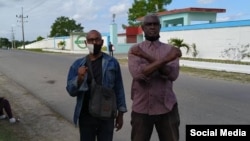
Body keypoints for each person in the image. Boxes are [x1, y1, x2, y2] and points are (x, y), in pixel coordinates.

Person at [128, 13, 182, 141]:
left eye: (155, 24)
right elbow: (138, 74)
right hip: (141, 108)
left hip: (167, 107)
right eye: (148, 24)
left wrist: (145, 57)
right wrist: (166, 60)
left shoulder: (169, 49)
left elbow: (173, 75)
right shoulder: (135, 50)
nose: (152, 27)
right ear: (143, 27)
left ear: (160, 27)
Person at [66, 30, 127, 141]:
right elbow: (70, 91)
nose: (94, 42)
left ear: (102, 42)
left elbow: (119, 88)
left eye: (97, 39)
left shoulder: (112, 62)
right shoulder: (77, 65)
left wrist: (121, 114)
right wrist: (79, 79)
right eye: (90, 40)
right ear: (86, 43)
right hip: (86, 116)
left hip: (106, 114)